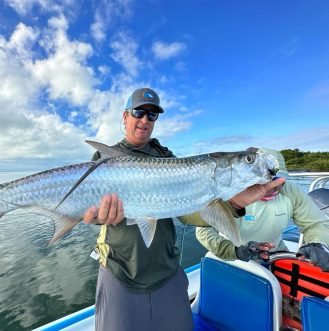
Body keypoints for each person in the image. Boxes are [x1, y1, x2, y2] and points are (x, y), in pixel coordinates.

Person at [82, 87, 287, 331]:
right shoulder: (103, 158)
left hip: (166, 271)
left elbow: (188, 214)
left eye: (152, 115)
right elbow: (88, 208)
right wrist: (97, 218)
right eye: (138, 112)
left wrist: (234, 203)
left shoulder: (167, 157)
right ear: (125, 116)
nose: (144, 120)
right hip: (120, 271)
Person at [192, 148, 329, 271]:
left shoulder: (290, 191)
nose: (271, 185)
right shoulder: (226, 191)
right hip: (231, 257)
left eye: (276, 178)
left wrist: (318, 243)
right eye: (262, 179)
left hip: (275, 255)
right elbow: (203, 230)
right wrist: (235, 251)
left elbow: (315, 223)